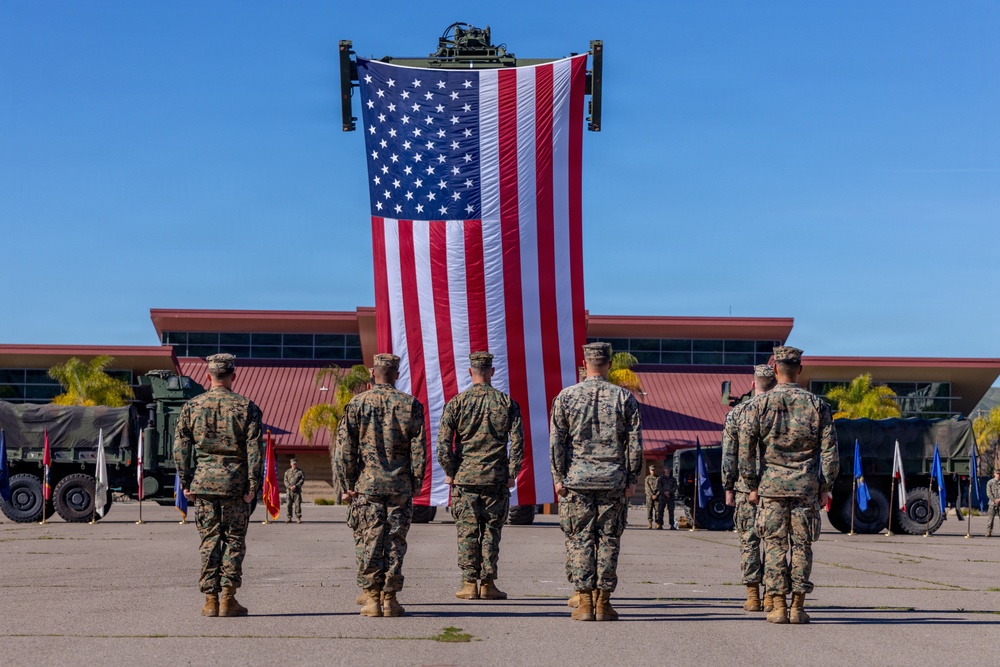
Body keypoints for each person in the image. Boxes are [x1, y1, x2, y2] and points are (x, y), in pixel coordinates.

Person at [740, 346, 839, 625]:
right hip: (805, 487)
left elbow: (746, 450)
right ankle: (797, 607)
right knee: (802, 546)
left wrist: (750, 485)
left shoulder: (757, 405)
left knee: (773, 546)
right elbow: (830, 452)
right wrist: (825, 486)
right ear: (800, 369)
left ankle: (778, 607)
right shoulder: (817, 405)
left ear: (774, 370)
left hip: (771, 488)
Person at [550, 342, 643, 622]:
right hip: (612, 480)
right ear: (610, 363)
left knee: (580, 540)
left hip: (576, 480)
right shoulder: (624, 398)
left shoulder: (566, 397)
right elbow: (635, 444)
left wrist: (558, 477)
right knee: (608, 541)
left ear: (584, 362)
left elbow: (557, 442)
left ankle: (585, 603)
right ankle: (603, 603)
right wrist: (632, 478)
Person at [336, 353, 425, 618]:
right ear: (396, 374)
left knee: (370, 541)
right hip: (399, 486)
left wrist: (348, 483)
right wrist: (417, 481)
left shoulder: (357, 403)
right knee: (395, 542)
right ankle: (390, 600)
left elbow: (345, 449)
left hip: (367, 486)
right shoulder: (410, 404)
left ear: (373, 373)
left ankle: (372, 599)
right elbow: (418, 448)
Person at [174, 354, 263, 617]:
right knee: (234, 541)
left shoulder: (192, 406)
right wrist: (253, 484)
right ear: (233, 376)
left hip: (203, 485)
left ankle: (210, 601)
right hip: (235, 485)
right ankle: (228, 599)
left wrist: (186, 481)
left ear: (207, 376)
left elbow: (180, 448)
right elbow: (254, 450)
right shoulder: (246, 407)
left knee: (209, 541)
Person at [437, 351, 524, 601]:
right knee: (491, 531)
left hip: (465, 480)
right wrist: (511, 473)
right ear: (492, 372)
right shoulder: (506, 403)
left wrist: (451, 472)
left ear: (470, 372)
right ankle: (487, 584)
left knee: (467, 531)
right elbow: (517, 443)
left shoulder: (457, 403)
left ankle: (468, 584)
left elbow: (443, 444)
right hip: (495, 478)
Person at [722, 364, 776, 613]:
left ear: (753, 384)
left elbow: (729, 454)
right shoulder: (782, 409)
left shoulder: (738, 412)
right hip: (776, 487)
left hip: (746, 488)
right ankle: (772, 597)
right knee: (776, 543)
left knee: (750, 542)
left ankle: (753, 596)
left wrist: (728, 486)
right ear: (773, 383)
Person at [644, 464, 669, 529]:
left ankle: (657, 523)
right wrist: (652, 495)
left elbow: (660, 488)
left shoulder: (659, 478)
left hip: (657, 497)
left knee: (658, 510)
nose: (653, 471)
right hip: (649, 496)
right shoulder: (647, 478)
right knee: (649, 510)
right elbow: (647, 488)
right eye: (652, 470)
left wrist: (656, 495)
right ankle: (650, 522)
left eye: (654, 470)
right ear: (650, 471)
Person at [284, 458, 305, 523]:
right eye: (293, 464)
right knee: (288, 505)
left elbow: (302, 480)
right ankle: (289, 517)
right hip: (289, 491)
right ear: (291, 464)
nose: (294, 465)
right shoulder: (287, 472)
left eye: (295, 464)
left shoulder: (300, 472)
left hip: (297, 491)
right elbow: (285, 481)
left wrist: (295, 486)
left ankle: (298, 518)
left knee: (297, 505)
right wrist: (290, 487)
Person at [986, 470, 1000, 537]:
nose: (998, 475)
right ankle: (988, 531)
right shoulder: (990, 482)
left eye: (999, 474)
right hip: (992, 503)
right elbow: (988, 493)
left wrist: (999, 500)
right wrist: (994, 500)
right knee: (990, 519)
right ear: (994, 474)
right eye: (997, 474)